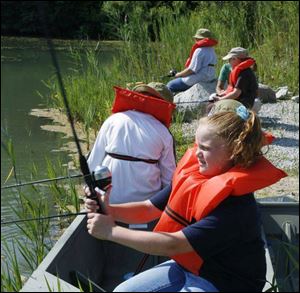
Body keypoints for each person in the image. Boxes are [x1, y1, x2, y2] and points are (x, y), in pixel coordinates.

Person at [85, 100, 287, 292]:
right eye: (197, 145)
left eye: (205, 148)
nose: (197, 153)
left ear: (235, 151)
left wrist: (110, 232)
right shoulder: (194, 178)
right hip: (189, 266)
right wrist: (110, 209)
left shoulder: (237, 207)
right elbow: (149, 209)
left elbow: (173, 244)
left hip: (225, 283)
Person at [87, 82, 176, 206]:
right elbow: (169, 179)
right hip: (146, 206)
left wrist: (89, 191)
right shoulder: (164, 133)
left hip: (109, 201)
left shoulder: (113, 120)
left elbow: (92, 164)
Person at [166, 28, 217, 94]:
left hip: (200, 78)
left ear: (199, 39)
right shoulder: (212, 50)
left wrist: (178, 74)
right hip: (210, 77)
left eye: (196, 38)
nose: (195, 40)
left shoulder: (199, 51)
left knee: (170, 85)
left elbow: (192, 70)